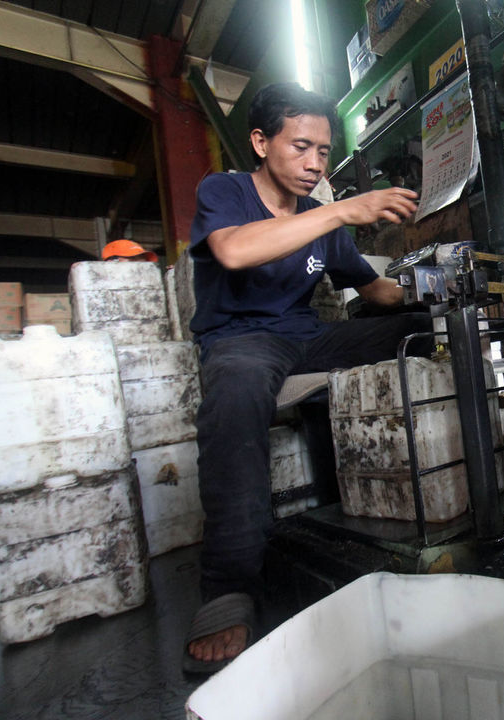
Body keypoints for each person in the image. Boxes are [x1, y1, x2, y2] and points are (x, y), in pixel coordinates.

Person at [183, 81, 431, 674]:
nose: (315, 163)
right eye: (301, 147)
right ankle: (228, 586)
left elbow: (375, 292)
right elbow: (236, 252)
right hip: (242, 343)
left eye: (323, 151)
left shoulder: (322, 218)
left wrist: (439, 287)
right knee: (236, 390)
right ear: (261, 142)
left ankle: (410, 504)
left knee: (419, 327)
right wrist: (345, 209)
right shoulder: (225, 192)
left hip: (306, 340)